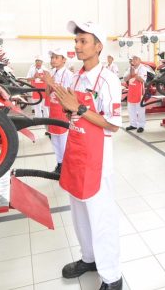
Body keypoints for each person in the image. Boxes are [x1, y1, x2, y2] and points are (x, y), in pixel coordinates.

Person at [52, 20, 122, 290]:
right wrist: (68, 107)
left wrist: (79, 109)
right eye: (76, 41)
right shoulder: (76, 77)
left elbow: (113, 124)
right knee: (79, 212)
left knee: (101, 217)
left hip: (97, 159)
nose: (78, 46)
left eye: (83, 41)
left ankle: (112, 277)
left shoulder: (108, 79)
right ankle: (89, 258)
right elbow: (73, 111)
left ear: (98, 46)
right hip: (76, 152)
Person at [43, 47, 74, 173]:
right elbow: (47, 93)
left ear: (64, 60)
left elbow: (66, 95)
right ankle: (60, 163)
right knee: (55, 139)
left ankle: (67, 165)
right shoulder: (52, 73)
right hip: (53, 110)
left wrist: (51, 83)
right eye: (52, 57)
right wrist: (48, 84)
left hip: (63, 111)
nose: (53, 60)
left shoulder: (69, 75)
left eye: (56, 57)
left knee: (63, 140)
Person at [124, 55, 147, 133]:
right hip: (131, 92)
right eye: (133, 59)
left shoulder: (142, 68)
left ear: (139, 60)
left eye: (136, 59)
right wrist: (130, 74)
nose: (134, 60)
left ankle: (141, 126)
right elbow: (125, 78)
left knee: (140, 110)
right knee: (131, 110)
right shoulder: (130, 68)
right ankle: (133, 124)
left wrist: (135, 75)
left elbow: (143, 80)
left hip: (139, 93)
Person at [26, 55, 49, 122]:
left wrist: (40, 77)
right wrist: (35, 77)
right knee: (36, 106)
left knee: (45, 106)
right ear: (35, 62)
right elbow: (28, 79)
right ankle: (38, 120)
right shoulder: (31, 69)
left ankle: (47, 119)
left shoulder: (45, 70)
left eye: (40, 61)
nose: (38, 62)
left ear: (42, 62)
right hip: (35, 90)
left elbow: (48, 80)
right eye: (37, 61)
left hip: (44, 90)